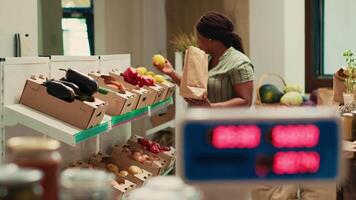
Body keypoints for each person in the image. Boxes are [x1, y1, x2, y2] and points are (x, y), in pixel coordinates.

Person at [155, 12, 254, 107]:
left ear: (210, 39)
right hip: (202, 122)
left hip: (224, 124)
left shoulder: (240, 63)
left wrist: (211, 107)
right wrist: (171, 72)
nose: (197, 42)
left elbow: (245, 101)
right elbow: (193, 86)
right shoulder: (207, 58)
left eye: (199, 38)